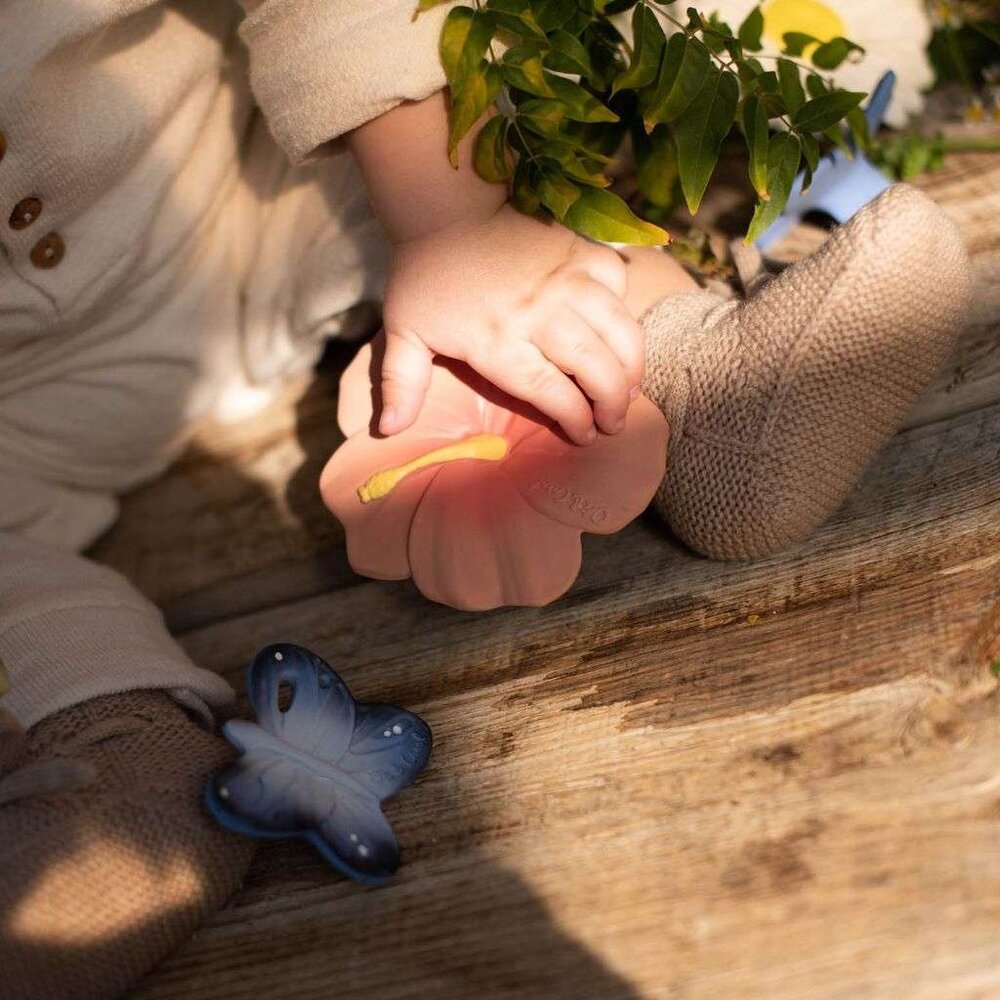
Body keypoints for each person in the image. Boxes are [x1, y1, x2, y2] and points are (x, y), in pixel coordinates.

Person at [0, 2, 970, 997]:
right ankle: (114, 761)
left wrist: (445, 213)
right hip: (23, 419)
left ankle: (703, 394)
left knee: (523, 269)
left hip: (257, 186)